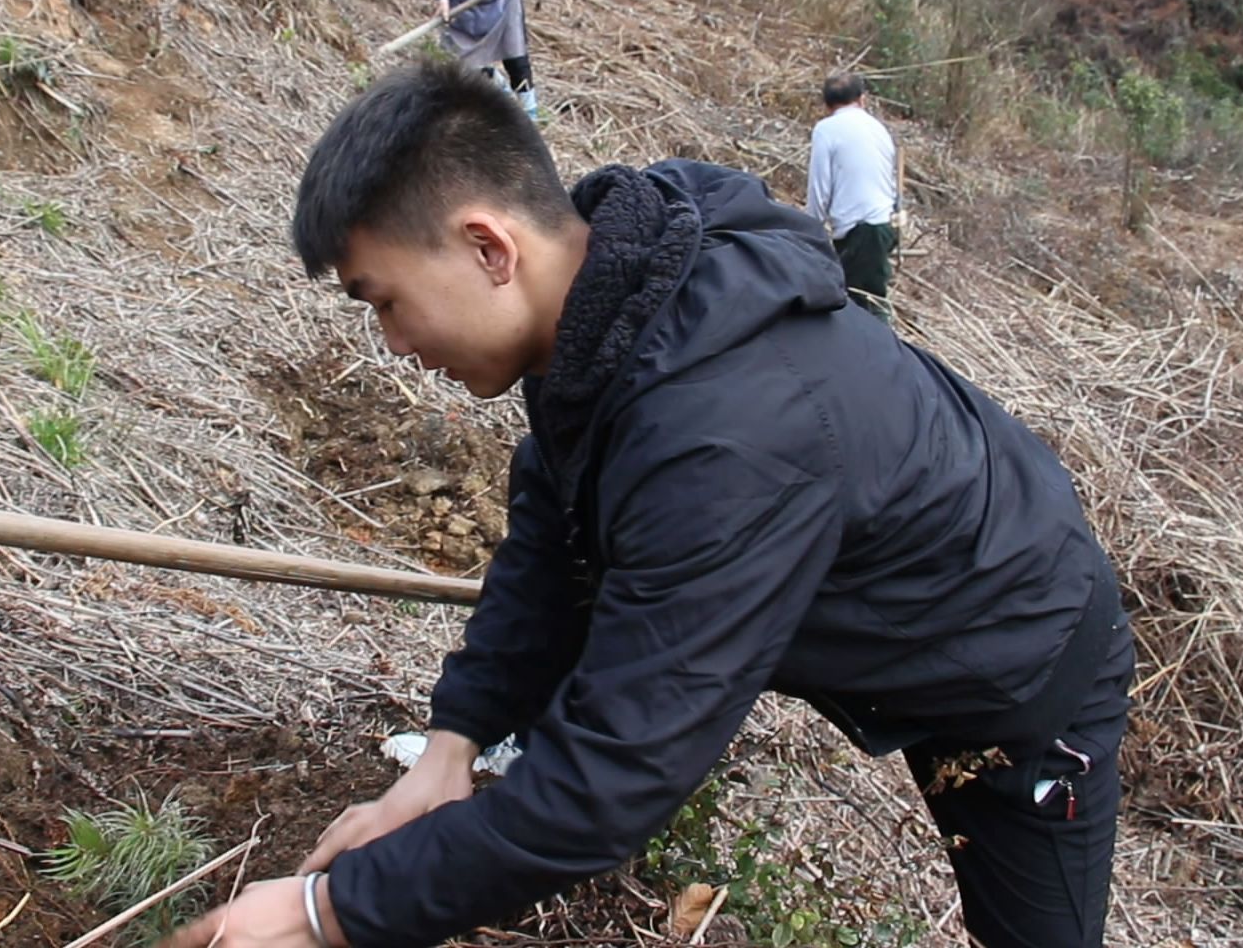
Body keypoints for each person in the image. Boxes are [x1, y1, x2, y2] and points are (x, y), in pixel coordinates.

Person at [161, 61, 1135, 948]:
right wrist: (451, 747)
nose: (393, 342)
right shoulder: (610, 294)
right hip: (910, 609)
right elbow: (551, 532)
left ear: (490, 249)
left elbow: (605, 790)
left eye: (384, 301)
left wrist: (324, 913)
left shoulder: (725, 437)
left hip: (1021, 661)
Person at [806, 71, 900, 320]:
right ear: (862, 99)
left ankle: (884, 356)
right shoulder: (878, 129)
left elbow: (819, 186)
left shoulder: (826, 130)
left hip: (860, 229)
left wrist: (809, 229)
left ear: (827, 104)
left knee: (864, 309)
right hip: (883, 223)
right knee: (869, 299)